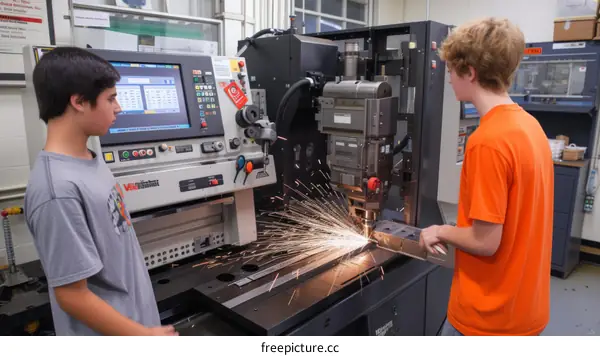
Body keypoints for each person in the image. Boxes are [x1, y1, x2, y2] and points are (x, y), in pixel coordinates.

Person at [24, 47, 177, 336]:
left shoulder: (89, 159)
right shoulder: (57, 190)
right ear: (79, 101)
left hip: (135, 321)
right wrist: (141, 337)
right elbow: (72, 295)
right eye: (111, 98)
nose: (118, 108)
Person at [419, 18, 554, 336]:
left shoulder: (488, 140)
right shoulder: (529, 126)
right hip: (525, 310)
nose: (449, 78)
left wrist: (439, 230)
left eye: (452, 69)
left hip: (486, 319)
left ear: (470, 72)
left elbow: (485, 241)